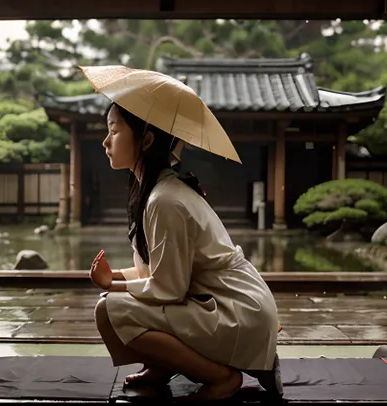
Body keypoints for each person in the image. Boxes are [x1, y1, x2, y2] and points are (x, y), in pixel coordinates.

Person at [89, 102, 282, 402]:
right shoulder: (157, 191)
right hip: (226, 305)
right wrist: (111, 278)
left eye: (113, 131)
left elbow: (169, 289)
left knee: (108, 308)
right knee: (113, 301)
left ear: (147, 140)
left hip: (235, 310)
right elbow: (155, 272)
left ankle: (221, 378)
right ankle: (161, 367)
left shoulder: (165, 199)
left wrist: (113, 285)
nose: (105, 141)